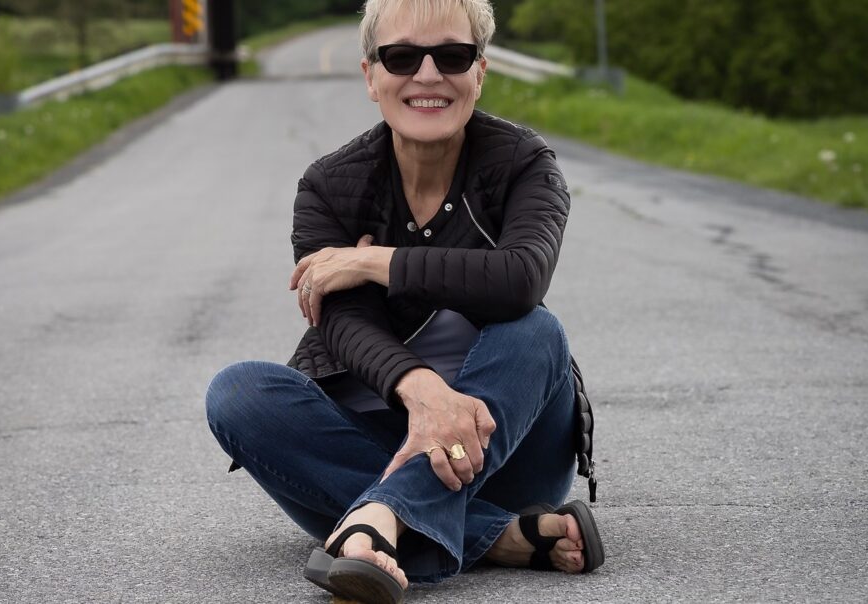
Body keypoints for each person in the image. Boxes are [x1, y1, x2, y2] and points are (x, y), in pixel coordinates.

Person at [205, 0, 604, 602]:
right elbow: (341, 321)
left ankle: (378, 518)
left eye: (452, 55)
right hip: (379, 438)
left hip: (512, 444)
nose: (427, 75)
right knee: (237, 393)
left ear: (480, 70)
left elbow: (520, 278)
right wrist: (425, 393)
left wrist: (373, 261)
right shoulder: (328, 186)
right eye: (400, 57)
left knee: (536, 331)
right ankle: (498, 536)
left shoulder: (525, 164)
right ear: (370, 75)